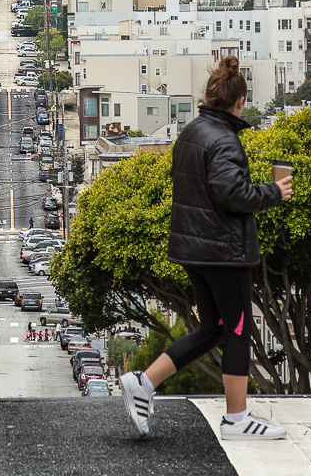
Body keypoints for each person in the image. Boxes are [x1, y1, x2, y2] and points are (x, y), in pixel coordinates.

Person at [118, 56, 293, 442]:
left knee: (213, 328)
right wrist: (273, 192)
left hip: (193, 249)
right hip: (223, 252)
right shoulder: (225, 140)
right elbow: (232, 194)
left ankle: (144, 382)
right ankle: (236, 419)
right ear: (240, 102)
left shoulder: (192, 132)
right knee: (238, 330)